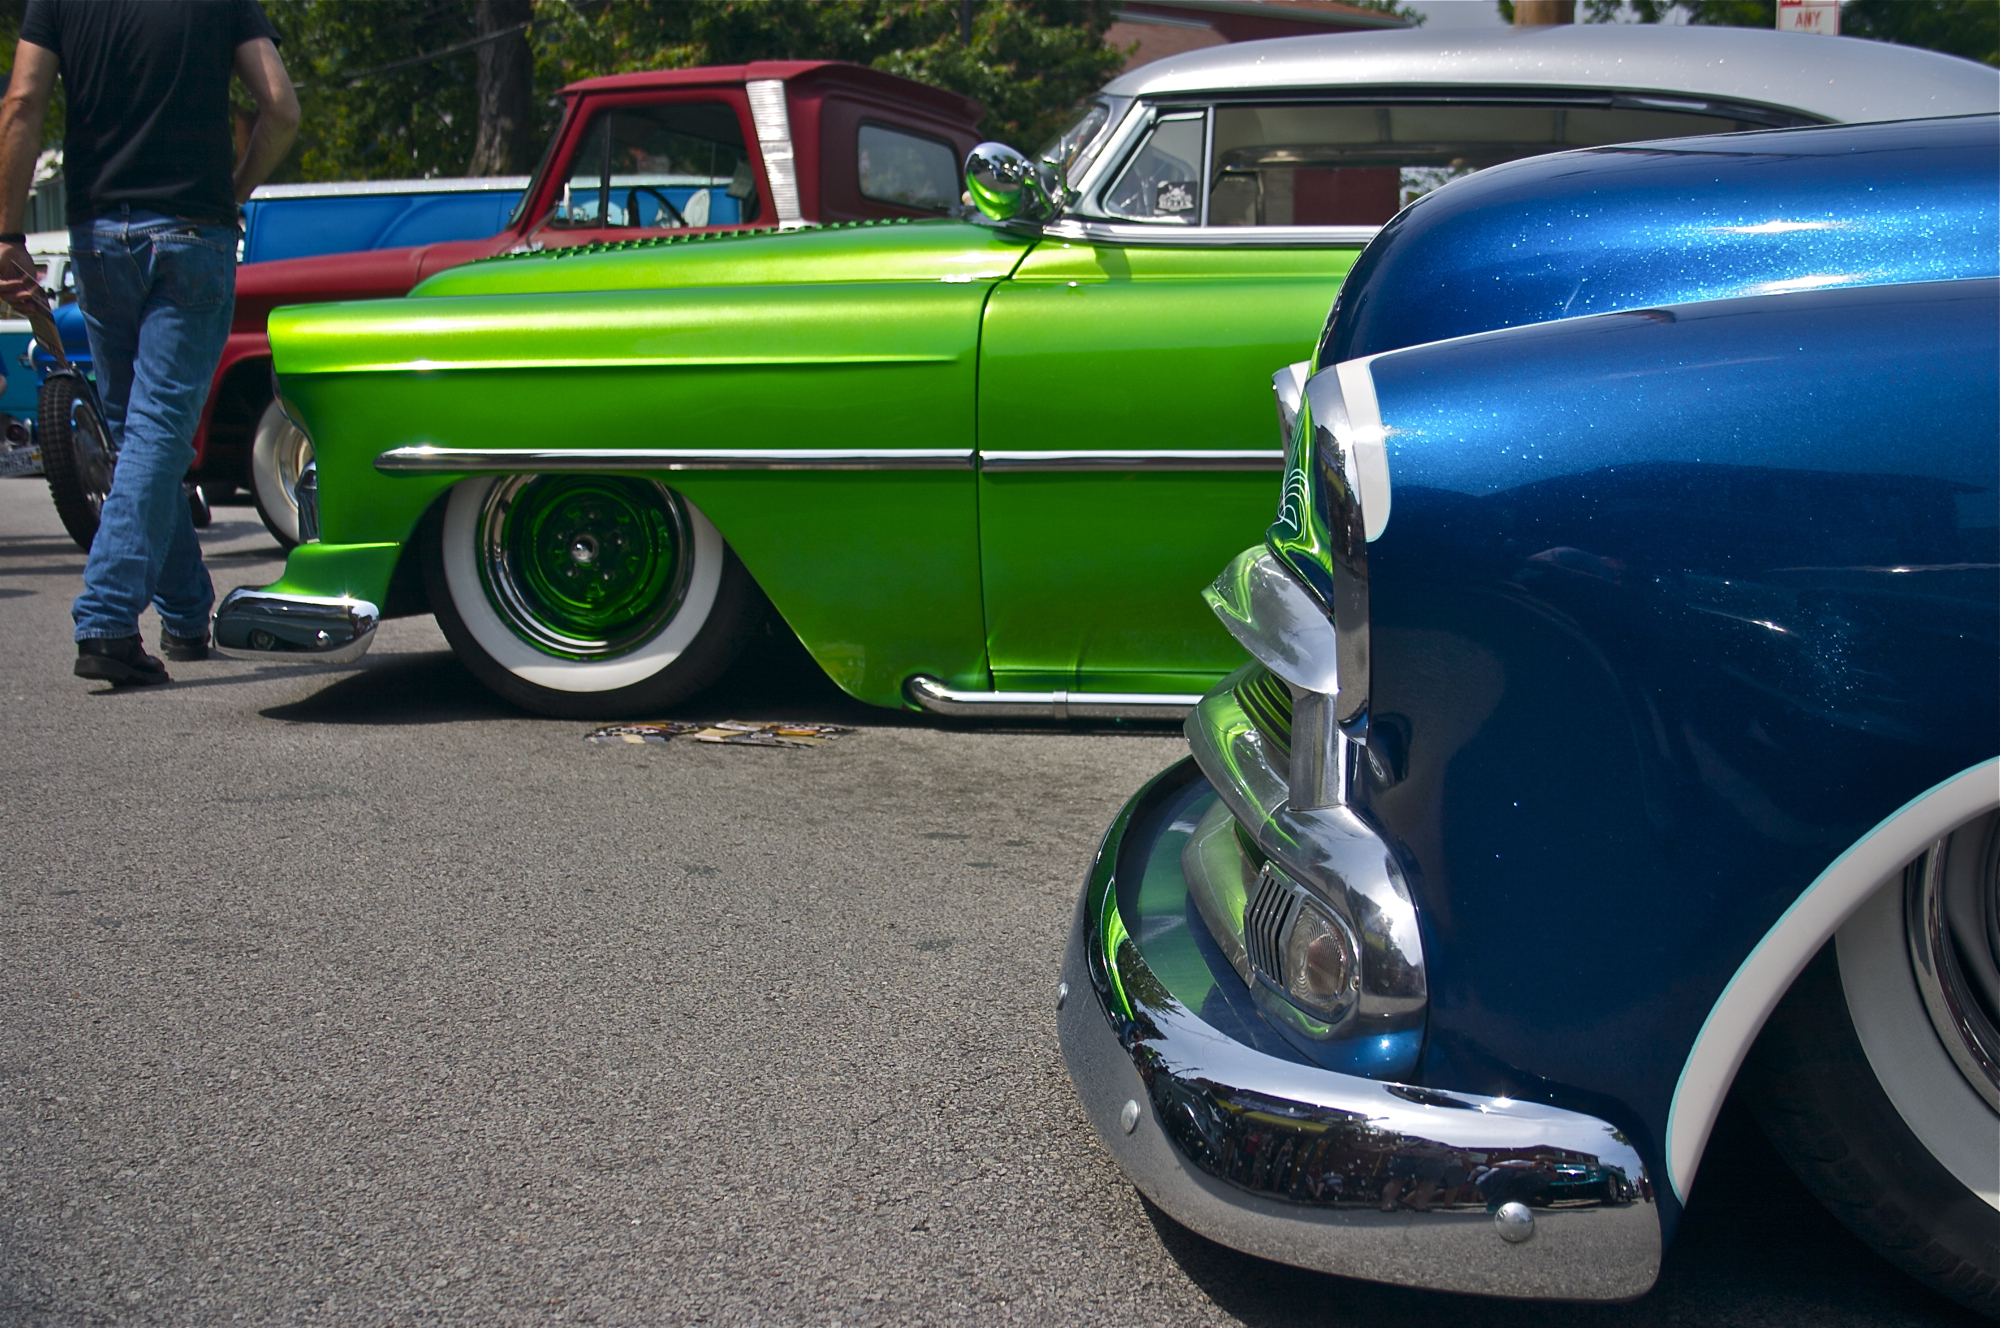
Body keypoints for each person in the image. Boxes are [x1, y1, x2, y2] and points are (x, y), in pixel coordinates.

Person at [0, 1, 298, 685]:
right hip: (194, 229)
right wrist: (233, 191)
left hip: (99, 236)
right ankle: (106, 619)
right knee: (157, 430)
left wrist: (8, 235)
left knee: (140, 434)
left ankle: (189, 611)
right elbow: (280, 108)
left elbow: (21, 101)